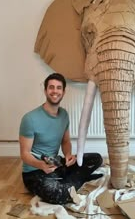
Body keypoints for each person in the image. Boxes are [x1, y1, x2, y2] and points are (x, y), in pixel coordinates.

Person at [19, 73, 103, 204]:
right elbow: (24, 154)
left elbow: (65, 141)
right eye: (51, 87)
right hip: (35, 172)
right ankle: (78, 180)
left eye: (58, 88)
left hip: (55, 165)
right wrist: (41, 165)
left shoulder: (64, 115)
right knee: (61, 195)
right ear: (46, 90)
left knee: (96, 159)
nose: (55, 91)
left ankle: (68, 182)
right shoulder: (29, 119)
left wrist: (68, 155)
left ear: (63, 92)